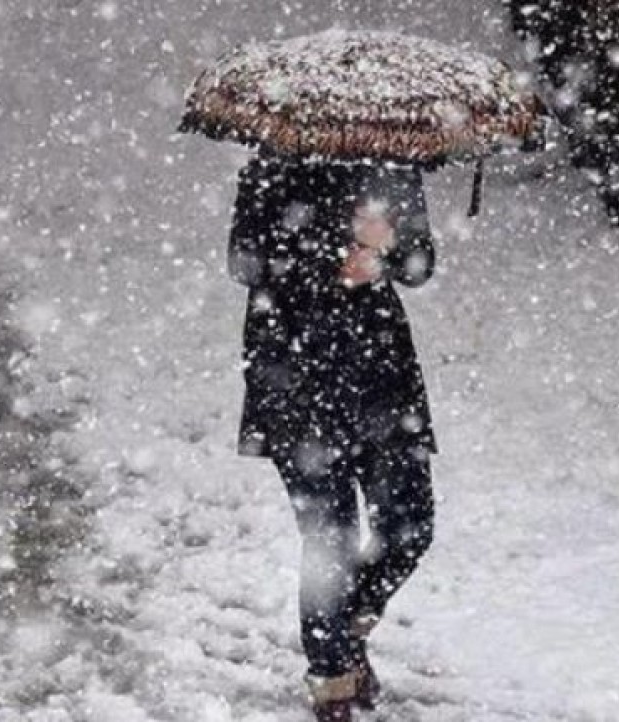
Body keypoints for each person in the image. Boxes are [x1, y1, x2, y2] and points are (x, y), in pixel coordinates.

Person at [227, 148, 437, 722]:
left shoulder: (392, 166)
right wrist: (336, 254)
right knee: (330, 541)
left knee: (411, 524)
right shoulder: (272, 167)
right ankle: (332, 682)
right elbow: (245, 264)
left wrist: (385, 249)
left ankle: (345, 628)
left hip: (381, 380)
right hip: (296, 378)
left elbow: (421, 263)